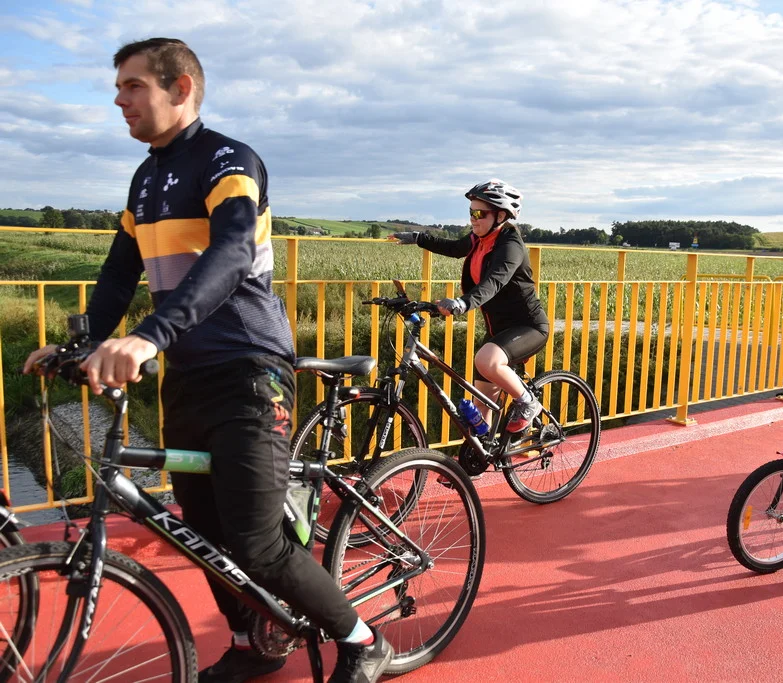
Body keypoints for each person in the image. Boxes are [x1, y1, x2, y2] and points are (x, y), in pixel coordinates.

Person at [22, 38, 391, 683]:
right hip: (189, 376)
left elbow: (231, 253)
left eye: (133, 85)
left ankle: (363, 640)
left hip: (250, 368)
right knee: (204, 532)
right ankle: (256, 640)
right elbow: (117, 274)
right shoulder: (146, 178)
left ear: (181, 87)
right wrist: (79, 346)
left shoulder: (228, 160)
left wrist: (148, 336)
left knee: (256, 541)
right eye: (120, 87)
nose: (119, 99)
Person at [390, 179, 549, 432]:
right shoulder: (479, 238)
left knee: (486, 360)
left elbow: (493, 282)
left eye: (479, 213)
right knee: (482, 403)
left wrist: (463, 303)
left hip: (528, 327)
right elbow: (454, 248)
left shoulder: (510, 245)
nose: (473, 219)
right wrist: (418, 238)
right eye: (471, 212)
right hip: (498, 331)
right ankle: (471, 464)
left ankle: (529, 402)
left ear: (501, 215)